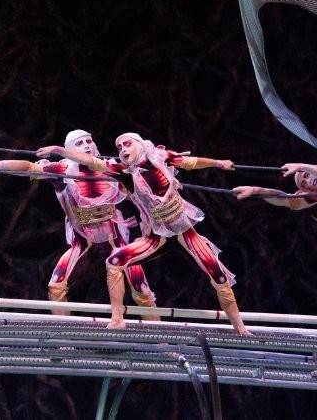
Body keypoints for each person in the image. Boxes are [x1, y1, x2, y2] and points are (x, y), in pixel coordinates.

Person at [36, 132, 250, 334]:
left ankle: (241, 329)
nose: (122, 149)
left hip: (184, 230)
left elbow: (191, 162)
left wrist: (218, 163)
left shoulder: (160, 156)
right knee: (114, 262)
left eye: (127, 144)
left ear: (140, 144)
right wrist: (58, 150)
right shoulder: (122, 171)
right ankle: (117, 319)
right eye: (119, 147)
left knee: (219, 275)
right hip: (155, 235)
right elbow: (92, 162)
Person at [0, 130, 159, 323]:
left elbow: (141, 191)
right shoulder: (63, 170)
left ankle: (159, 335)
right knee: (56, 286)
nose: (86, 145)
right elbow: (29, 167)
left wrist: (148, 222)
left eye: (89, 141)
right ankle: (64, 332)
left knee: (142, 290)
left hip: (116, 239)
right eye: (79, 143)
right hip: (84, 240)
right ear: (69, 149)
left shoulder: (111, 167)